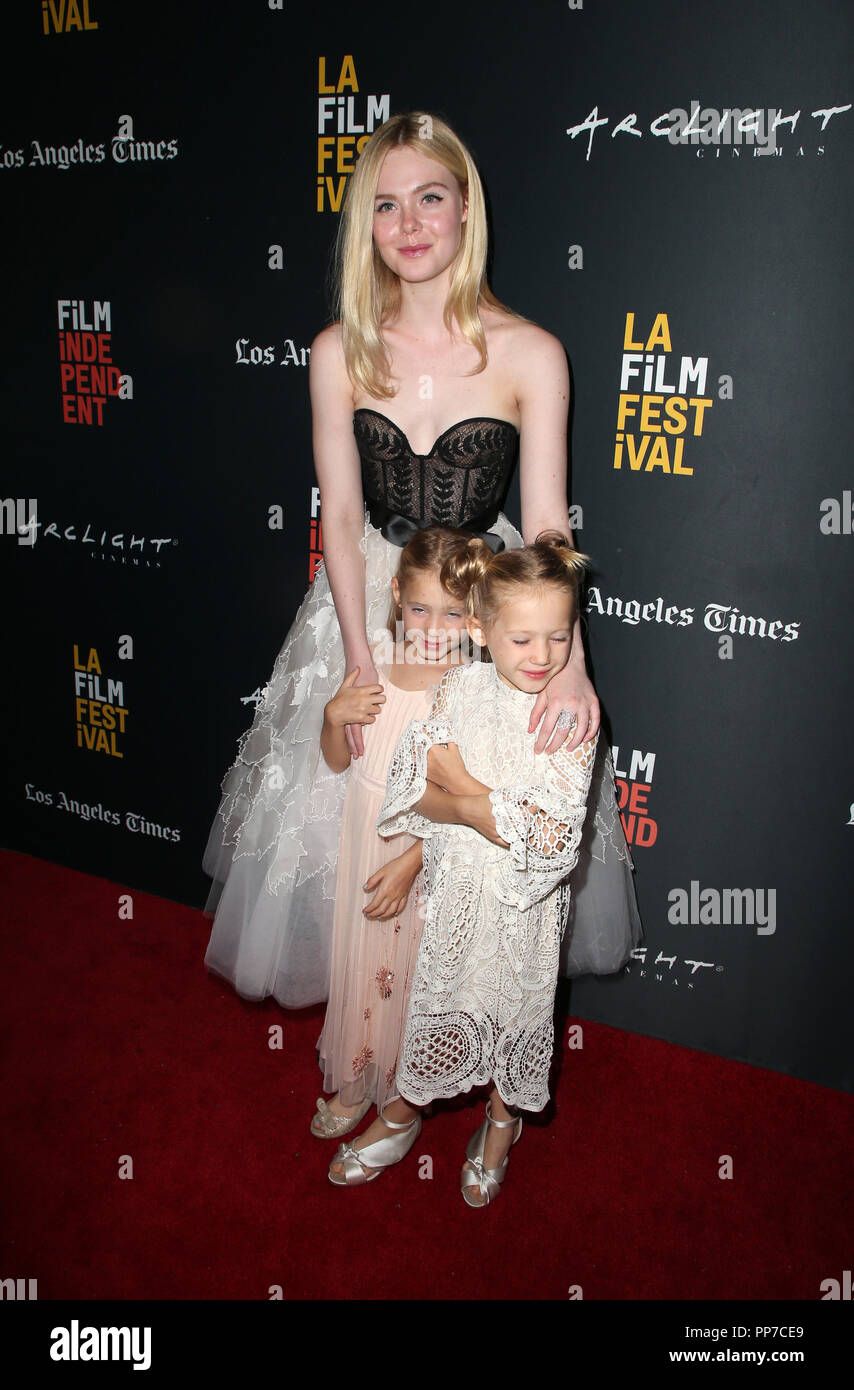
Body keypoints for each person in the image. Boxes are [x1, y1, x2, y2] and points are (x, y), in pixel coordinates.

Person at [202, 110, 640, 1012]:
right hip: (369, 596)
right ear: (365, 222)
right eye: (386, 205)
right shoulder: (339, 352)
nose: (408, 225)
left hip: (487, 605)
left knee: (469, 833)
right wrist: (361, 656)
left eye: (429, 199)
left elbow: (551, 527)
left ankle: (444, 1054)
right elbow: (344, 510)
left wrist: (571, 670)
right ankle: (371, 1043)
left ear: (466, 208)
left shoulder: (531, 352)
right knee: (358, 820)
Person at [328, 534, 617, 1200]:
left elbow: (551, 842)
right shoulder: (457, 688)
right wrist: (474, 803)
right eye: (522, 640)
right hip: (456, 897)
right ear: (481, 630)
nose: (542, 656)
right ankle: (403, 1114)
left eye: (559, 636)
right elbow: (413, 789)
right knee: (442, 1005)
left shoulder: (568, 716)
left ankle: (501, 1118)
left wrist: (463, 789)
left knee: (514, 1011)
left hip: (525, 916)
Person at [311, 527, 475, 1140]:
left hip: (426, 857)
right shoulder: (372, 659)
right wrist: (333, 717)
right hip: (365, 839)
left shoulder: (470, 689)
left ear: (475, 613)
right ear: (396, 594)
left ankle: (402, 1098)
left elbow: (472, 806)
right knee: (362, 961)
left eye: (453, 612)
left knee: (411, 974)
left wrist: (414, 860)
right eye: (420, 608)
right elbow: (336, 759)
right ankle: (358, 1076)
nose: (434, 626)